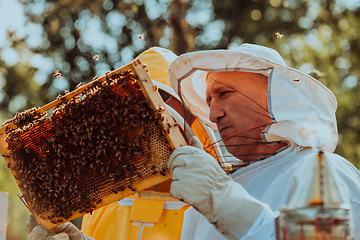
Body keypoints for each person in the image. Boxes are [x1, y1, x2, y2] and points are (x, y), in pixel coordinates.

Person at [166, 43, 360, 239]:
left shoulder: (319, 169)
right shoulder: (207, 199)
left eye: (224, 93)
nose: (213, 114)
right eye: (209, 102)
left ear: (272, 96)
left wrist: (225, 203)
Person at [26, 47, 222, 240]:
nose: (144, 136)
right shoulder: (104, 207)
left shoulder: (213, 211)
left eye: (158, 125)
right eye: (134, 123)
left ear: (187, 127)